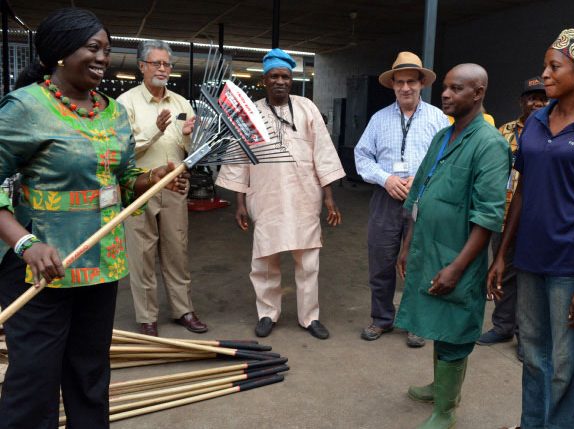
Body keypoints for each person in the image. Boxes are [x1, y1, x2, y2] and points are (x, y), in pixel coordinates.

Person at [0, 8, 188, 428]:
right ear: (60, 53)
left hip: (100, 264)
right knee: (34, 381)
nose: (104, 57)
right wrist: (25, 244)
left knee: (89, 376)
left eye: (106, 49)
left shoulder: (112, 112)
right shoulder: (27, 107)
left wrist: (151, 178)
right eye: (93, 48)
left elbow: (121, 180)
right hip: (42, 270)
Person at [487, 29, 574, 429]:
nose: (544, 74)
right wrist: (502, 255)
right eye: (545, 65)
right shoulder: (535, 123)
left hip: (571, 263)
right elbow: (523, 193)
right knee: (532, 353)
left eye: (554, 67)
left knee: (566, 361)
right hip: (529, 259)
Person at [395, 63, 511, 428]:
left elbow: (488, 216)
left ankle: (446, 410)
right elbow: (420, 192)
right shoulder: (443, 136)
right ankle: (438, 387)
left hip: (459, 255)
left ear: (478, 93)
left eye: (456, 88)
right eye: (445, 87)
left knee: (456, 327)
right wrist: (407, 243)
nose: (445, 94)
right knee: (435, 321)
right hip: (429, 247)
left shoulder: (489, 145)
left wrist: (458, 267)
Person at [216, 48, 345, 340]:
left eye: (285, 77)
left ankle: (309, 317)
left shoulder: (307, 108)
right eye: (274, 76)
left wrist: (328, 197)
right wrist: (239, 202)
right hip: (266, 196)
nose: (280, 82)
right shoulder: (249, 114)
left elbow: (323, 154)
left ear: (292, 80)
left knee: (308, 262)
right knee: (264, 260)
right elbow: (239, 159)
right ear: (264, 81)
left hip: (304, 197)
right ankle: (267, 314)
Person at [354, 51, 449, 347]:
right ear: (393, 85)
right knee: (381, 259)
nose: (405, 87)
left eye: (411, 81)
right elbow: (361, 155)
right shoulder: (378, 119)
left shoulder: (439, 119)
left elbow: (447, 159)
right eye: (400, 82)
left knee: (419, 261)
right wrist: (386, 178)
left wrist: (423, 180)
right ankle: (382, 318)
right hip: (386, 198)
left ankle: (415, 321)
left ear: (421, 83)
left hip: (423, 199)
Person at [117, 40, 207, 336]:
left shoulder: (181, 103)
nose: (163, 69)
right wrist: (156, 130)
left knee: (176, 250)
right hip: (138, 187)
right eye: (156, 63)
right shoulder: (125, 103)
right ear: (141, 66)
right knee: (141, 254)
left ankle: (183, 310)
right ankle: (147, 318)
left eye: (167, 64)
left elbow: (192, 150)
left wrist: (188, 137)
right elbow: (124, 152)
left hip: (174, 185)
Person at [476, 76, 548, 356]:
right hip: (504, 216)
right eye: (531, 97)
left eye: (542, 97)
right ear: (522, 101)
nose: (537, 102)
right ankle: (503, 326)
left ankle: (525, 336)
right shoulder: (504, 131)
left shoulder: (554, 130)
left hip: (536, 220)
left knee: (530, 279)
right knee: (502, 272)